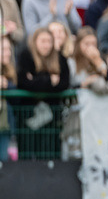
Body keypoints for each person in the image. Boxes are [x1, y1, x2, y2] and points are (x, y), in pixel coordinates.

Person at [16, 27, 70, 159]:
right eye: (43, 41)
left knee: (49, 153)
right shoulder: (26, 56)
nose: (46, 45)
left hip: (52, 117)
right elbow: (23, 83)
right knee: (27, 153)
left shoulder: (60, 58)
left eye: (49, 41)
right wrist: (49, 80)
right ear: (35, 42)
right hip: (28, 116)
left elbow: (64, 84)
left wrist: (35, 80)